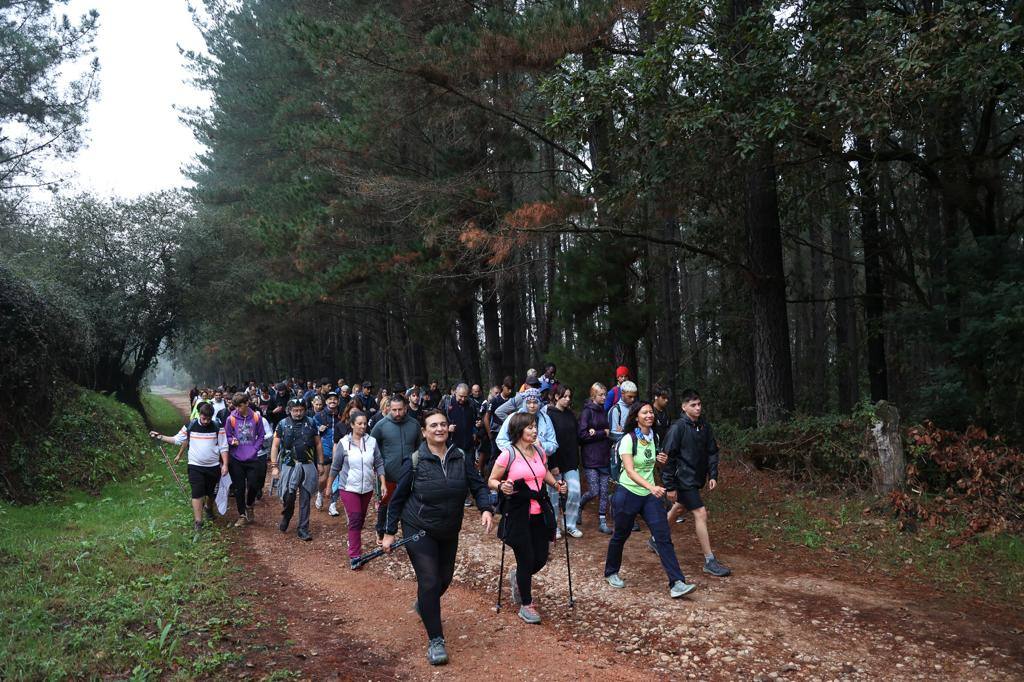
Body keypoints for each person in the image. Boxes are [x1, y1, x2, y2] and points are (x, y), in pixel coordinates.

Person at [383, 409, 495, 665]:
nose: (439, 429)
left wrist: (486, 508)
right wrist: (389, 533)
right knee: (430, 581)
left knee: (444, 580)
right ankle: (436, 641)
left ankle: (425, 604)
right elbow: (397, 499)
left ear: (449, 428)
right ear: (424, 432)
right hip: (418, 527)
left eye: (443, 424)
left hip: (448, 529)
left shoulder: (460, 456)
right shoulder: (414, 461)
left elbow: (477, 485)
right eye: (433, 425)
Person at [603, 402, 697, 598]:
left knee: (663, 536)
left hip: (649, 496)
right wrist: (651, 487)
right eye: (644, 412)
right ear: (636, 416)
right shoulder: (628, 439)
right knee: (620, 535)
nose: (649, 415)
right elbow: (629, 470)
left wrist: (658, 461)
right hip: (628, 493)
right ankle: (611, 572)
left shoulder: (653, 436)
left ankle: (677, 582)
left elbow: (648, 462)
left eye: (651, 412)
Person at [488, 412, 567, 625]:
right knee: (526, 558)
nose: (534, 431)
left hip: (539, 511)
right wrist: (501, 486)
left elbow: (544, 473)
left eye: (535, 427)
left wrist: (556, 484)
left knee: (540, 557)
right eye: (530, 427)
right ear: (519, 430)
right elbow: (492, 480)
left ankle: (519, 577)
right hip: (517, 513)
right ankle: (526, 604)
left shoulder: (539, 451)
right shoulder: (508, 455)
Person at [662, 389, 731, 577]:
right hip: (683, 479)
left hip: (696, 478)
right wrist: (669, 486)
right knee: (701, 513)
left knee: (679, 508)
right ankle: (710, 561)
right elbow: (668, 457)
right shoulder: (678, 428)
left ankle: (656, 538)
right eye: (693, 405)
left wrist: (713, 475)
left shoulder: (704, 426)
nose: (698, 408)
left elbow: (712, 451)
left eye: (699, 404)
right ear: (684, 407)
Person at [150, 401, 226, 532]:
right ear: (199, 415)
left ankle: (208, 508)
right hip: (195, 465)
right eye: (204, 418)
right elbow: (176, 439)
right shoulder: (190, 426)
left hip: (213, 466)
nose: (206, 421)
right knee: (197, 492)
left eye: (208, 419)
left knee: (211, 493)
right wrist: (160, 436)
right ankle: (198, 522)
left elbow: (224, 447)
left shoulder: (218, 428)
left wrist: (225, 464)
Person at [328, 410, 385, 568]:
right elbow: (335, 466)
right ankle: (355, 556)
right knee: (354, 519)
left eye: (365, 424)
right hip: (348, 487)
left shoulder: (372, 441)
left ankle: (353, 542)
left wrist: (383, 483)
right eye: (359, 423)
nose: (362, 426)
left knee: (359, 520)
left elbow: (379, 463)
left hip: (367, 488)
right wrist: (328, 486)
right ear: (352, 425)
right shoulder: (344, 443)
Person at [369, 394, 422, 542]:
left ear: (406, 408)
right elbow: (372, 446)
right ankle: (380, 530)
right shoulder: (381, 425)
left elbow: (420, 446)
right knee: (386, 503)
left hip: (410, 473)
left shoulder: (414, 424)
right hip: (388, 473)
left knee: (410, 502)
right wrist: (378, 467)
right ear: (389, 408)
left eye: (400, 410)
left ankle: (409, 533)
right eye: (394, 410)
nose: (397, 413)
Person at [269, 399, 324, 541]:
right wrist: (274, 466)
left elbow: (318, 444)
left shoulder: (311, 422)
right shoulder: (282, 424)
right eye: (295, 410)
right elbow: (275, 446)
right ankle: (287, 516)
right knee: (288, 496)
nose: (298, 413)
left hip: (308, 464)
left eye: (300, 410)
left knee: (305, 497)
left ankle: (303, 528)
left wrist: (321, 463)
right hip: (289, 465)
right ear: (289, 410)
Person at [223, 393, 266, 526]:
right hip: (236, 459)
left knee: (253, 484)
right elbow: (227, 436)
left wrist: (255, 448)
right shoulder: (231, 419)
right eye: (235, 406)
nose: (237, 409)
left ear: (247, 403)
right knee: (239, 488)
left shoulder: (256, 417)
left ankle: (249, 506)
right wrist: (232, 441)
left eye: (239, 406)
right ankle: (242, 515)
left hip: (252, 457)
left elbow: (261, 435)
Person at [547, 385, 582, 538]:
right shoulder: (548, 415)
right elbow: (548, 442)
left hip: (570, 462)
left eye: (569, 397)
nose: (568, 399)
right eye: (564, 396)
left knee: (575, 491)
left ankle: (570, 524)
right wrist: (552, 464)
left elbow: (575, 438)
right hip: (554, 463)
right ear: (556, 397)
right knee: (553, 496)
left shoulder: (570, 415)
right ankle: (554, 526)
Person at [579, 382, 613, 534]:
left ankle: (602, 521)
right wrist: (602, 433)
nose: (604, 397)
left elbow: (608, 431)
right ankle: (579, 505)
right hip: (591, 458)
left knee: (604, 491)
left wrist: (605, 433)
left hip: (604, 456)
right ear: (593, 396)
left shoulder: (603, 411)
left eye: (605, 394)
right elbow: (583, 435)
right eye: (601, 395)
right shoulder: (587, 412)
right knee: (594, 491)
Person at [495, 388, 557, 454]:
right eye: (529, 402)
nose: (532, 406)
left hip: (539, 460)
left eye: (535, 402)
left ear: (539, 403)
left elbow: (553, 444)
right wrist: (517, 449)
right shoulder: (514, 417)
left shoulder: (545, 419)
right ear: (524, 403)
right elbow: (501, 440)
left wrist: (541, 445)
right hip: (517, 460)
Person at [313, 392, 343, 512]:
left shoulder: (341, 415)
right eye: (330, 399)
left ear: (338, 402)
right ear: (326, 402)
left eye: (335, 399)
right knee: (324, 477)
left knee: (338, 478)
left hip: (340, 449)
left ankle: (333, 504)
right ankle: (320, 493)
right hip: (324, 449)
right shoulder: (319, 416)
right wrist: (319, 431)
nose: (332, 401)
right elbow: (313, 433)